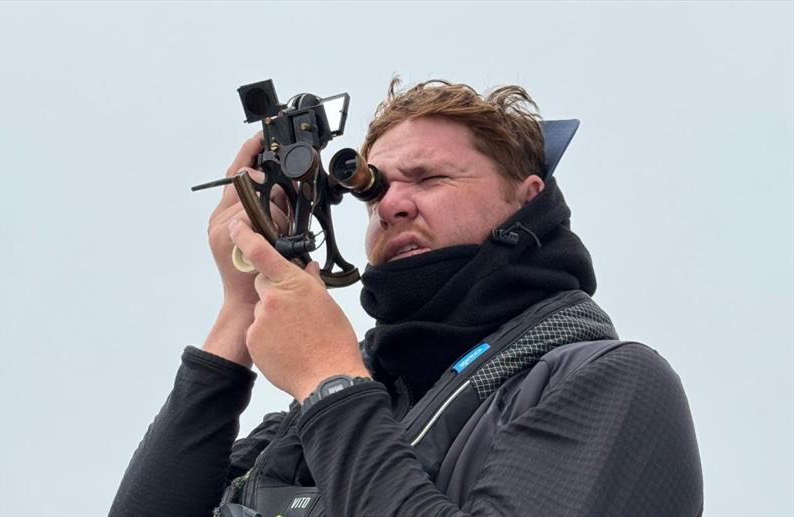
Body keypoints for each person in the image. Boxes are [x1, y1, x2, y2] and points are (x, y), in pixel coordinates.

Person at [110, 80, 703, 517]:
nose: (392, 205)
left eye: (430, 178)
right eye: (375, 191)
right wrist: (240, 308)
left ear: (526, 198)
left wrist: (328, 380)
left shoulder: (615, 382)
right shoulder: (309, 427)